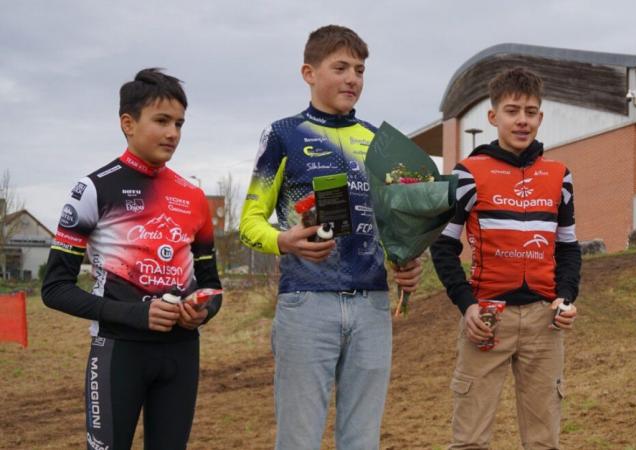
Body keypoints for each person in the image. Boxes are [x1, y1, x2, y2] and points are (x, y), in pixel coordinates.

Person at [239, 25, 422, 450]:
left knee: (362, 441)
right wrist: (284, 241)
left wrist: (406, 261)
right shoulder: (284, 134)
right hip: (306, 302)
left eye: (359, 70)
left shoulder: (377, 140)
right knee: (298, 440)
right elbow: (249, 222)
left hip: (372, 306)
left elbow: (392, 222)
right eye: (340, 67)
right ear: (308, 72)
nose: (352, 79)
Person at [42, 68, 223, 450]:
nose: (173, 133)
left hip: (182, 353)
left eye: (179, 123)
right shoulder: (93, 189)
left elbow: (212, 287)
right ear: (128, 122)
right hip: (118, 351)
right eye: (162, 121)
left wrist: (204, 310)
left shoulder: (194, 197)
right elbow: (55, 289)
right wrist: (137, 314)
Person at [430, 67, 582, 450]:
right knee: (470, 442)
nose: (522, 120)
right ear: (494, 116)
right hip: (486, 320)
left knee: (544, 441)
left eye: (531, 112)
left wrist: (565, 296)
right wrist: (466, 306)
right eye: (513, 110)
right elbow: (444, 246)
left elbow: (567, 247)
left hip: (544, 323)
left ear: (540, 118)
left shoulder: (559, 175)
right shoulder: (467, 173)